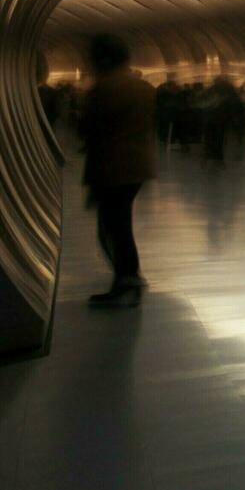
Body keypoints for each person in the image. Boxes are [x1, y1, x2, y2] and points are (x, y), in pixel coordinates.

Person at [78, 34, 156, 307]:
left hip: (112, 166)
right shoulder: (144, 88)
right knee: (120, 224)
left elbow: (91, 130)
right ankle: (127, 278)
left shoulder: (103, 89)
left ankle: (127, 280)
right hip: (138, 165)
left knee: (113, 227)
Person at [154, 74, 179, 146]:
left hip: (163, 112)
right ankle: (167, 140)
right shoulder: (168, 91)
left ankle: (165, 140)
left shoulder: (161, 89)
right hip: (166, 112)